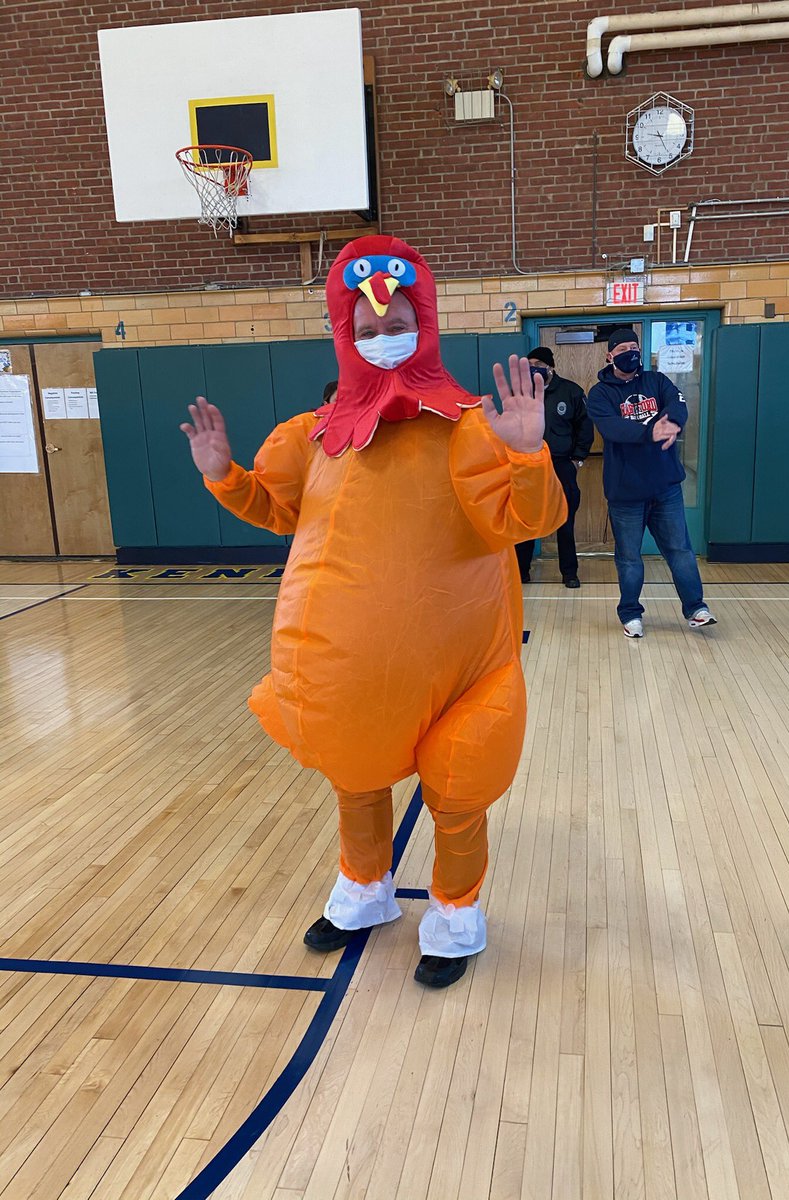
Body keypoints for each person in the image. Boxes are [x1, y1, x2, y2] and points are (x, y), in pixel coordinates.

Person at [180, 235, 566, 989]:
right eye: (368, 330)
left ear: (425, 327)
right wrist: (223, 475)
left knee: (457, 788)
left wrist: (526, 454)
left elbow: (527, 522)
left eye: (398, 327)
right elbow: (275, 504)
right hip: (352, 674)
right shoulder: (314, 438)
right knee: (354, 779)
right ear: (343, 336)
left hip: (462, 671)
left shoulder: (467, 427)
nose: (384, 341)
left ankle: (455, 915)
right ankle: (365, 892)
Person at [586, 328, 716, 638]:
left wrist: (671, 421)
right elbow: (613, 428)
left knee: (680, 550)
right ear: (610, 355)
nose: (630, 353)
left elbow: (677, 403)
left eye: (635, 347)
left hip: (665, 488)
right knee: (629, 557)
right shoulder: (600, 394)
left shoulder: (657, 381)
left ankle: (695, 608)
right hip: (626, 494)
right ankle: (630, 613)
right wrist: (650, 431)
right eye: (623, 349)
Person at [514, 347, 594, 588]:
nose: (532, 368)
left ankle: (569, 573)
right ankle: (521, 571)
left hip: (561, 465)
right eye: (528, 364)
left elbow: (585, 427)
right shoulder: (521, 395)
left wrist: (577, 459)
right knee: (527, 520)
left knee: (565, 520)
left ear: (551, 367)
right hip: (530, 466)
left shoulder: (571, 391)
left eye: (537, 363)